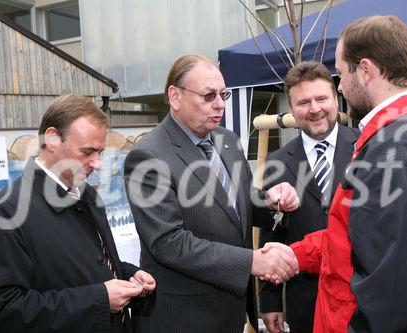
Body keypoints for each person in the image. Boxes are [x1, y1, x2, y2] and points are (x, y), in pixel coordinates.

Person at [273, 15, 407, 332]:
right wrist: (298, 255)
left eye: (340, 73)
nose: (341, 86)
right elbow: (361, 238)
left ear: (365, 70)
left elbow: (399, 291)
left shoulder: (395, 149)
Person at [123, 54, 300, 333]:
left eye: (223, 94)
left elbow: (237, 203)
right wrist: (251, 261)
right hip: (184, 317)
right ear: (175, 96)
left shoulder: (227, 140)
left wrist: (272, 201)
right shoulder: (148, 156)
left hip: (230, 312)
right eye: (208, 96)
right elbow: (168, 242)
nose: (219, 104)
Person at [0, 94, 156, 333]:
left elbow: (92, 265)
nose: (97, 163)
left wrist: (130, 277)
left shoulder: (88, 195)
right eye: (87, 152)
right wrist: (99, 300)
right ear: (52, 139)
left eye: (100, 152)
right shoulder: (7, 211)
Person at [258, 62, 359, 333]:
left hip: (360, 298)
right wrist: (269, 300)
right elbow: (272, 234)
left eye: (321, 98)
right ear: (291, 108)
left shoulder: (366, 147)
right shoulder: (278, 161)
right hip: (305, 301)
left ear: (335, 99)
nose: (314, 109)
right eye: (303, 102)